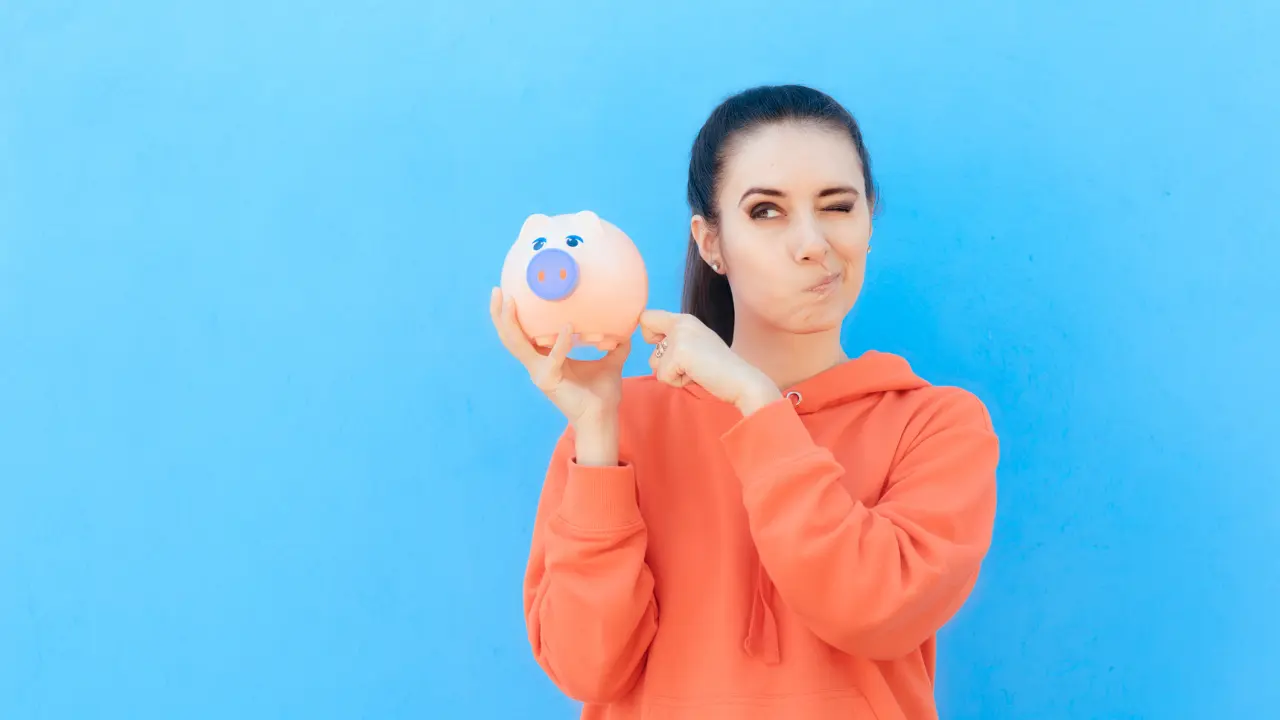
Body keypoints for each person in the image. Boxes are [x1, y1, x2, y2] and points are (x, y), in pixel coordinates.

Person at [489, 84, 999, 720]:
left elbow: (874, 610)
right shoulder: (619, 427)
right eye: (766, 211)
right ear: (710, 242)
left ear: (869, 220)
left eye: (838, 206)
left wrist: (757, 404)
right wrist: (596, 435)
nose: (812, 243)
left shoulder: (936, 425)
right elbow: (586, 666)